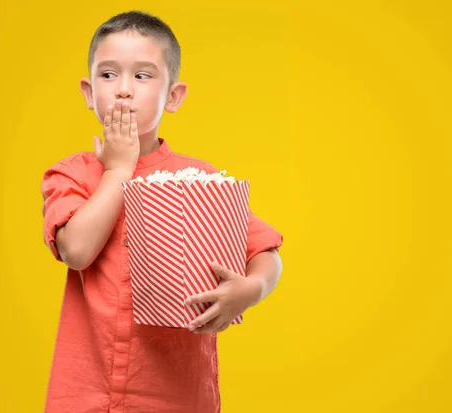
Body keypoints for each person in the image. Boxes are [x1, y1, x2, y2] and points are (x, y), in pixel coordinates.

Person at [40, 9, 284, 413]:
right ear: (88, 92)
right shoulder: (73, 175)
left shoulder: (199, 179)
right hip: (84, 395)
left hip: (176, 397)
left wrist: (251, 290)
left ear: (173, 96)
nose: (123, 90)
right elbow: (77, 251)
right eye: (108, 75)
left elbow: (264, 251)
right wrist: (118, 169)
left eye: (142, 75)